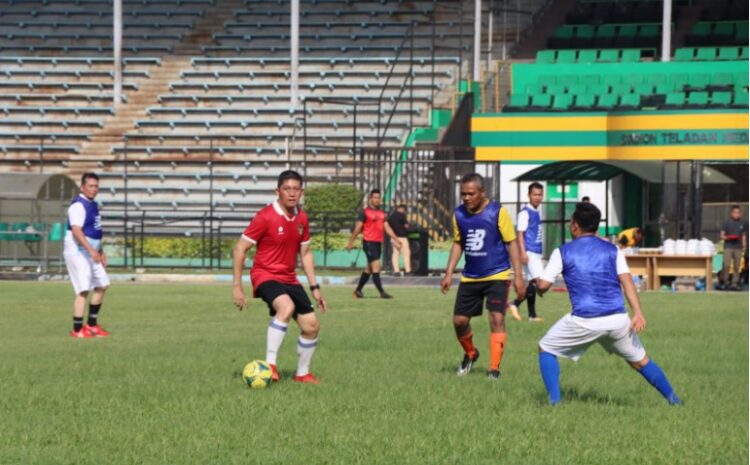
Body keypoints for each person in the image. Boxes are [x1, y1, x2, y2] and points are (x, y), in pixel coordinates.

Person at [535, 202, 682, 406]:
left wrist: (535, 284)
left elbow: (543, 285)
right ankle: (675, 401)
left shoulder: (562, 252)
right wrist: (638, 312)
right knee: (640, 361)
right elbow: (627, 281)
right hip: (617, 320)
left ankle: (554, 403)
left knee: (546, 348)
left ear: (574, 225)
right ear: (596, 227)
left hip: (584, 320)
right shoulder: (613, 250)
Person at [232, 170, 328, 385]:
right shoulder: (265, 216)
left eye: (296, 189)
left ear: (302, 192)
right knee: (286, 308)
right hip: (264, 274)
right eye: (287, 189)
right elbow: (240, 248)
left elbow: (306, 253)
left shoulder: (302, 217)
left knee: (311, 326)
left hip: (289, 278)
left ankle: (302, 374)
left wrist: (314, 287)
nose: (292, 194)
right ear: (278, 191)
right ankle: (270, 365)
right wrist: (237, 286)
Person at [440, 173, 526, 380]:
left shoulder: (497, 212)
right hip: (470, 276)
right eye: (463, 194)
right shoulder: (459, 215)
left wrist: (518, 276)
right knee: (459, 321)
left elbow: (511, 242)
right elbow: (458, 243)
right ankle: (471, 354)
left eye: (471, 194)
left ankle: (494, 370)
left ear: (482, 192)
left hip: (497, 274)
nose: (466, 198)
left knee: (496, 318)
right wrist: (449, 273)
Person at [64, 172, 111, 339]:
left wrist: (100, 251)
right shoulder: (78, 205)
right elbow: (77, 230)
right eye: (90, 186)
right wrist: (91, 250)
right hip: (78, 252)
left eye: (96, 186)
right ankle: (77, 329)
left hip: (91, 251)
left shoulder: (93, 204)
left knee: (102, 284)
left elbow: (95, 229)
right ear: (82, 187)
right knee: (83, 289)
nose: (94, 189)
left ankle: (91, 325)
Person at [347, 189, 401, 299]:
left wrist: (395, 238)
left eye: (378, 197)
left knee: (370, 269)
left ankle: (358, 291)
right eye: (375, 197)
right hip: (368, 242)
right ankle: (382, 292)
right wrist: (351, 241)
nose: (377, 199)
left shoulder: (382, 213)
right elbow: (358, 228)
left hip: (377, 243)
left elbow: (387, 227)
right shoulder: (365, 212)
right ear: (370, 199)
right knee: (377, 266)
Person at [508, 182, 545, 322]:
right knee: (540, 283)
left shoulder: (536, 212)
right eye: (535, 194)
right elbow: (520, 234)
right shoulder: (525, 213)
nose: (537, 197)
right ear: (529, 195)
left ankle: (532, 315)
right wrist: (523, 253)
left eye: (540, 194)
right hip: (529, 252)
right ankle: (515, 303)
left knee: (533, 284)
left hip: (535, 252)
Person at [719, 205, 747, 290]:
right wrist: (727, 237)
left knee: (737, 266)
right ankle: (725, 282)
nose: (736, 214)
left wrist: (744, 245)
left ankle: (734, 284)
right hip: (728, 246)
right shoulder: (726, 223)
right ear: (731, 213)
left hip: (738, 247)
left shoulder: (743, 223)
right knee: (726, 265)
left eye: (738, 212)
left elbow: (744, 235)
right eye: (735, 212)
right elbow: (722, 235)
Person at [388, 204, 411, 276]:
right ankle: (407, 271)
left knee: (395, 254)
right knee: (406, 254)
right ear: (402, 209)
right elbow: (406, 225)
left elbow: (389, 226)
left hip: (394, 237)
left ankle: (396, 271)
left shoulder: (391, 217)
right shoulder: (402, 215)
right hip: (402, 237)